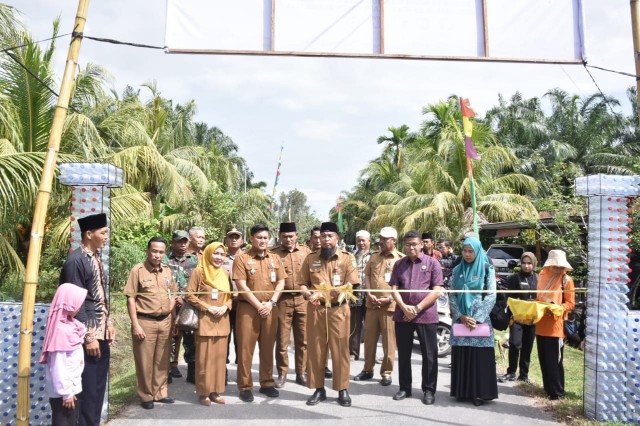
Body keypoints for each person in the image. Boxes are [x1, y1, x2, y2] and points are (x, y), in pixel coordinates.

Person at [59, 212, 115, 426]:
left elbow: (100, 296)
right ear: (89, 234)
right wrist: (89, 337)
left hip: (100, 331)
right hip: (87, 334)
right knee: (88, 388)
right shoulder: (75, 261)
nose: (106, 237)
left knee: (98, 386)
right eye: (103, 233)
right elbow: (76, 304)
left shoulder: (96, 257)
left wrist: (109, 324)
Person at [300, 222, 360, 407]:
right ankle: (319, 389)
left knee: (340, 350)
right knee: (316, 350)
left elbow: (351, 285)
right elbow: (302, 282)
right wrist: (307, 293)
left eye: (329, 236)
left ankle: (342, 389)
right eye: (322, 236)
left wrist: (326, 292)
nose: (325, 240)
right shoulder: (310, 258)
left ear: (337, 238)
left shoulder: (347, 258)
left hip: (338, 310)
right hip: (316, 310)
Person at [232, 224, 286, 402]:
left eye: (265, 237)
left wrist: (271, 303)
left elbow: (281, 282)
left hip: (270, 308)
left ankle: (267, 383)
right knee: (246, 349)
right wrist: (258, 305)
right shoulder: (242, 258)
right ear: (252, 238)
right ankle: (245, 386)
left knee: (267, 348)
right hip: (248, 309)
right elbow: (241, 285)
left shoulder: (275, 258)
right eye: (259, 237)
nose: (263, 241)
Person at [124, 236, 177, 409]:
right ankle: (146, 395)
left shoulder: (167, 271)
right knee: (145, 361)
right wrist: (135, 324)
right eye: (154, 251)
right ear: (148, 251)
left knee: (162, 360)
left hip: (165, 322)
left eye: (161, 252)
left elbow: (174, 294)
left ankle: (160, 393)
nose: (157, 255)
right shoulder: (138, 271)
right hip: (145, 322)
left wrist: (171, 311)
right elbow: (131, 299)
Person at [390, 231, 442, 405]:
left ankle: (429, 390)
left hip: (426, 315)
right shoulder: (399, 264)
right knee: (404, 354)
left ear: (422, 245)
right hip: (403, 315)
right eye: (408, 244)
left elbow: (436, 291)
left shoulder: (433, 263)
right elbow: (394, 289)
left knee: (429, 355)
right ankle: (405, 388)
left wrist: (418, 308)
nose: (411, 247)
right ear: (403, 246)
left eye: (414, 244)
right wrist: (405, 308)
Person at [449, 236, 498, 406]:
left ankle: (480, 393)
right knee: (462, 352)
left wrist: (477, 318)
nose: (467, 254)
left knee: (479, 356)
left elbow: (492, 294)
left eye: (471, 251)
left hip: (481, 319)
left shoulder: (487, 268)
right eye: (465, 251)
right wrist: (461, 316)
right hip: (461, 318)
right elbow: (452, 294)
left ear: (477, 251)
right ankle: (462, 391)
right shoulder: (457, 270)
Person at [354, 227, 403, 386]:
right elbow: (367, 275)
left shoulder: (400, 259)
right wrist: (369, 293)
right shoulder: (374, 256)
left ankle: (386, 372)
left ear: (393, 241)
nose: (381, 241)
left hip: (389, 306)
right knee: (369, 340)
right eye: (380, 238)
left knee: (389, 342)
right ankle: (367, 370)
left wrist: (390, 297)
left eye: (385, 239)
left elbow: (403, 284)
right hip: (372, 304)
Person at [185, 242, 233, 406]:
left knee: (219, 360)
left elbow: (231, 297)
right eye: (216, 253)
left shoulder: (225, 274)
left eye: (222, 254)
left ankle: (215, 391)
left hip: (222, 322)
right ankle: (204, 392)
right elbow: (189, 295)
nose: (219, 257)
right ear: (208, 254)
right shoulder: (199, 272)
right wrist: (208, 308)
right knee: (204, 359)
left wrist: (225, 307)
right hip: (205, 322)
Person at [40, 283, 88, 426]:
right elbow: (58, 366)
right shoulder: (60, 331)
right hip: (64, 393)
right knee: (64, 421)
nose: (80, 307)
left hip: (72, 387)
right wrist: (66, 393)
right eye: (78, 303)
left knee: (72, 420)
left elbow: (81, 331)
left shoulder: (71, 324)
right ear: (69, 304)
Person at [271, 222, 311, 388]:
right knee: (282, 341)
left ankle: (301, 373)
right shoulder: (273, 254)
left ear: (297, 236)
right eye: (285, 236)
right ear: (280, 236)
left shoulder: (306, 252)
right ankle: (282, 373)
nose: (288, 239)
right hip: (283, 301)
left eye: (291, 236)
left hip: (303, 301)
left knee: (303, 340)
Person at [535, 250, 575, 400]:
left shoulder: (567, 280)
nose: (558, 268)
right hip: (540, 323)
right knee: (543, 358)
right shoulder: (542, 275)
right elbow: (538, 296)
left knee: (555, 361)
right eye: (555, 265)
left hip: (556, 327)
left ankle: (557, 392)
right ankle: (547, 389)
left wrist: (558, 308)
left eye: (560, 265)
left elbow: (570, 304)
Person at [165, 230, 199, 383]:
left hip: (189, 305)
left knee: (191, 337)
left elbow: (198, 282)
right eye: (179, 241)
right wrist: (175, 297)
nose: (183, 243)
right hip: (169, 304)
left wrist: (184, 297)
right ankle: (170, 368)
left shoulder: (195, 260)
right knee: (170, 337)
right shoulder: (165, 259)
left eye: (185, 241)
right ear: (172, 242)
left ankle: (192, 369)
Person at [498, 252, 538, 383]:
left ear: (534, 264)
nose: (526, 266)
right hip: (517, 317)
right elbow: (508, 298)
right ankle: (511, 372)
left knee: (528, 347)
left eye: (529, 263)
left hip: (532, 318)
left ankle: (524, 375)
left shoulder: (538, 278)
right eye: (524, 263)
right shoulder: (514, 278)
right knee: (515, 344)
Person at [223, 227, 244, 366]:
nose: (234, 239)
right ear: (226, 240)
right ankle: (222, 365)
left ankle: (241, 365)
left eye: (237, 237)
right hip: (224, 303)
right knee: (224, 335)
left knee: (241, 336)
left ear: (242, 240)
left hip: (242, 303)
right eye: (231, 237)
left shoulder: (247, 257)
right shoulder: (220, 257)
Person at [351, 230, 373, 360]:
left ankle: (371, 354)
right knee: (354, 326)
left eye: (363, 240)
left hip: (371, 296)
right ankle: (353, 353)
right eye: (359, 240)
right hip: (355, 295)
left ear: (369, 241)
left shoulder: (375, 256)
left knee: (371, 328)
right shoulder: (351, 256)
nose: (361, 243)